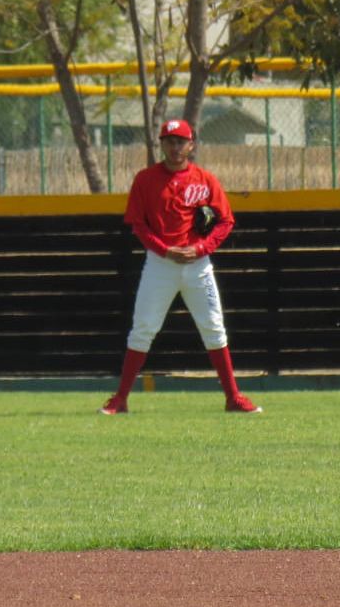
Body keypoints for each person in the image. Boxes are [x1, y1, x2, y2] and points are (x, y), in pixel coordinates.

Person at [100, 119, 261, 415]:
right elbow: (138, 224)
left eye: (181, 141)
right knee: (143, 329)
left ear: (192, 144)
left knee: (214, 328)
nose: (175, 147)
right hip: (160, 263)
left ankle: (233, 397)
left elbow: (225, 222)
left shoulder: (205, 180)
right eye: (169, 141)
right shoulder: (145, 179)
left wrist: (201, 247)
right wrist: (165, 249)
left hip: (198, 264)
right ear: (161, 144)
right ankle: (120, 399)